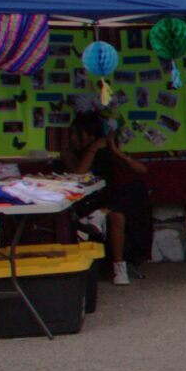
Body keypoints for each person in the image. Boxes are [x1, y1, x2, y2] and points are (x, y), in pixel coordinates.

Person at [62, 113, 153, 285]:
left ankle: (119, 267)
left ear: (90, 134)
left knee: (134, 192)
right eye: (72, 134)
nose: (73, 138)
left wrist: (115, 151)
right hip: (86, 201)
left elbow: (142, 170)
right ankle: (100, 214)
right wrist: (93, 149)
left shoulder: (106, 152)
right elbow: (79, 175)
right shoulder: (69, 153)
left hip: (108, 202)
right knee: (116, 210)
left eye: (77, 134)